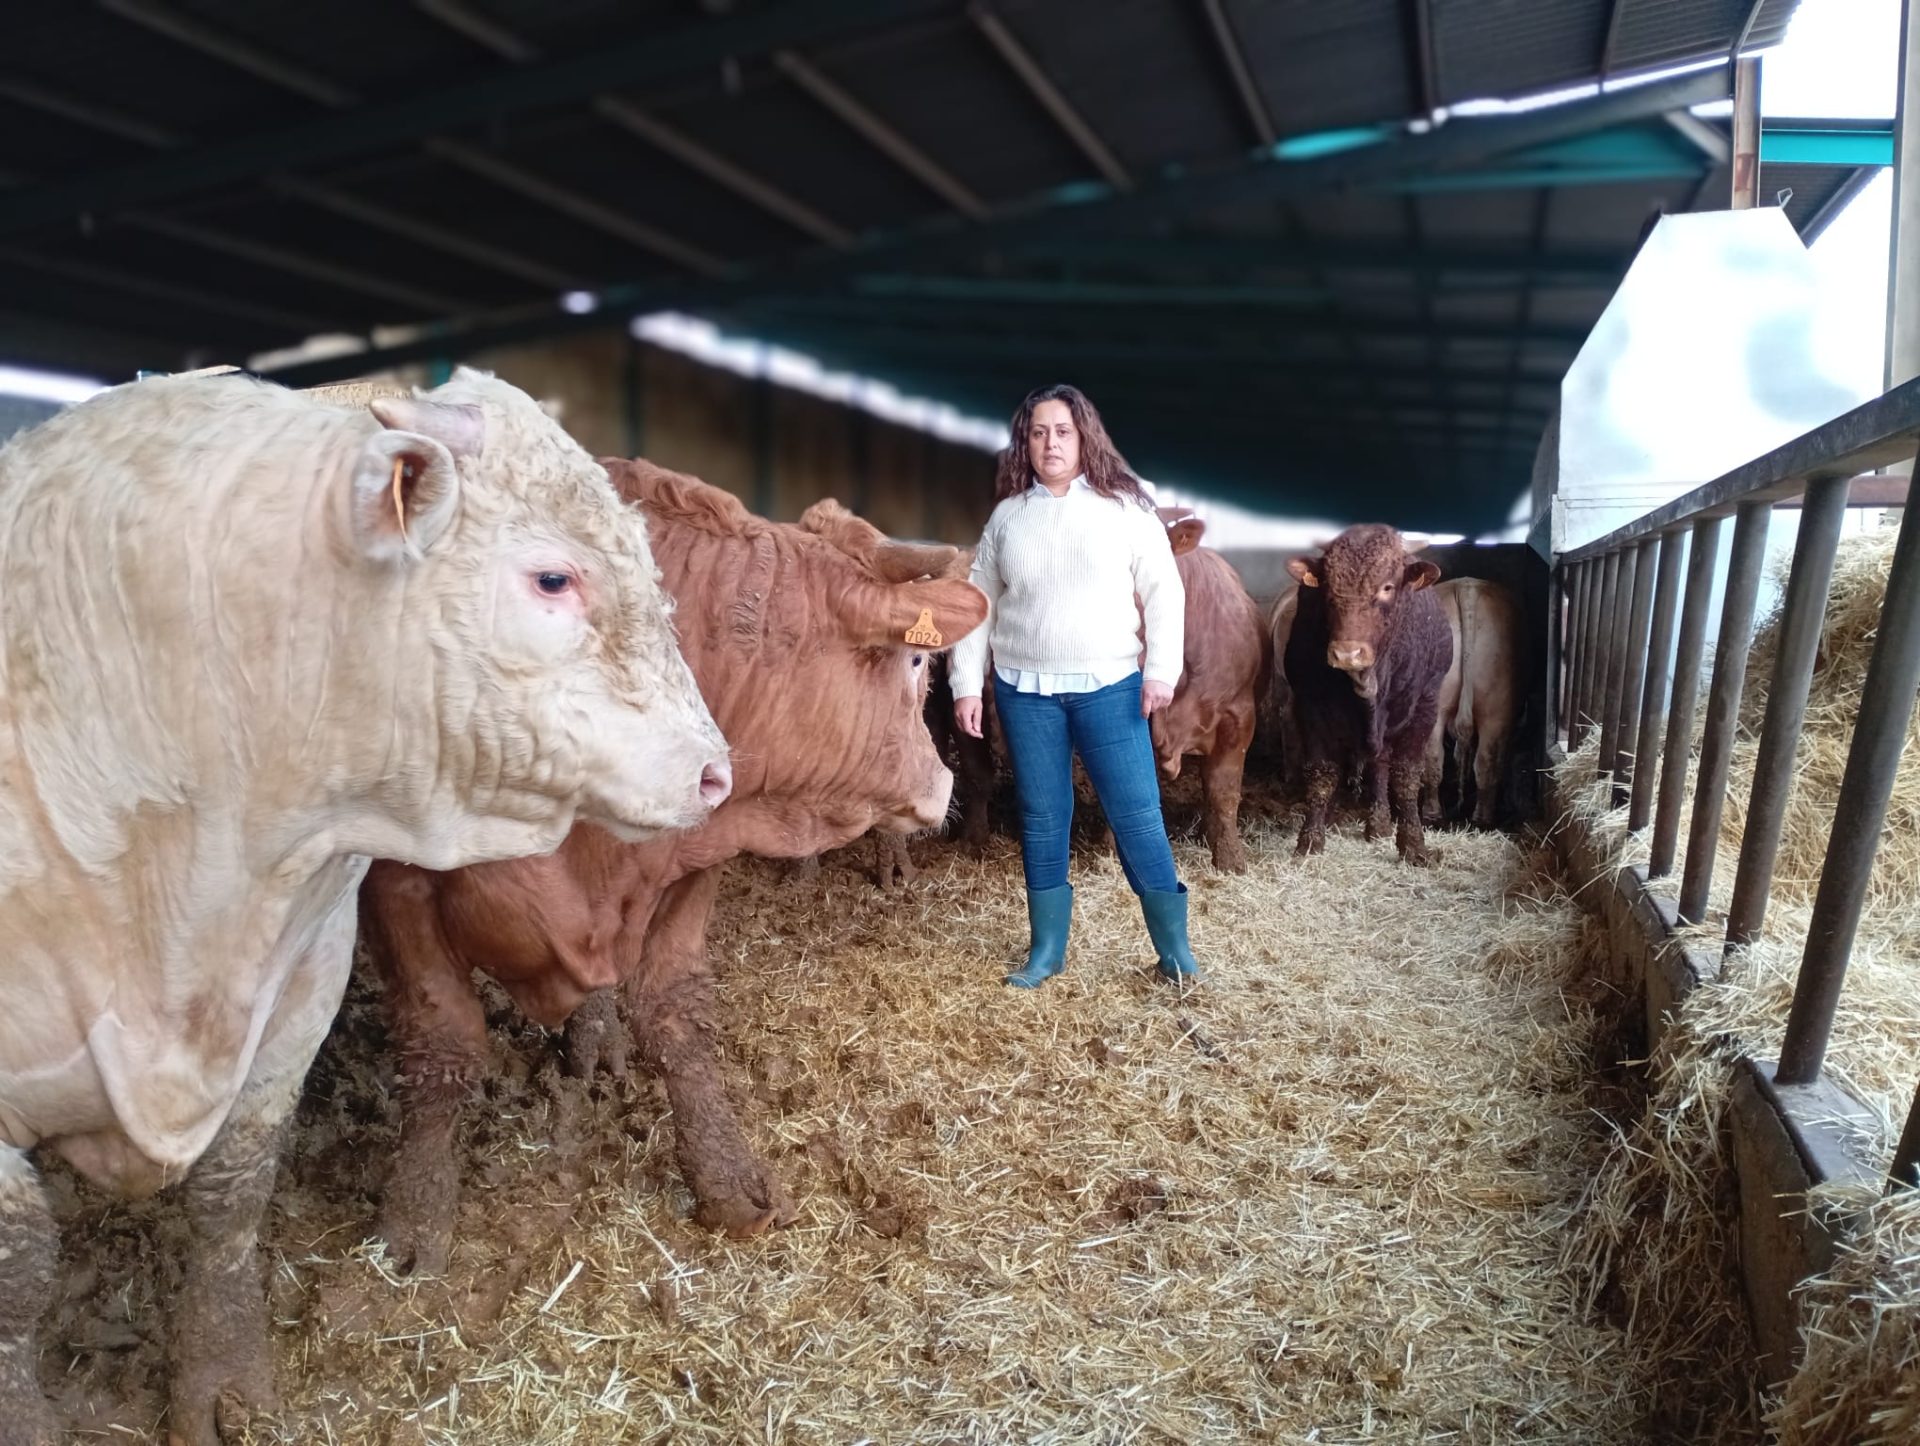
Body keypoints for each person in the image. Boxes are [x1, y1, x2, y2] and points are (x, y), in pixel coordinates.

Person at [949, 383, 1199, 988]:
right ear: (1024, 443)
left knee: (1137, 814)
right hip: (1025, 690)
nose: (1050, 443)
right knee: (1042, 814)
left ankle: (1174, 952)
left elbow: (1164, 588)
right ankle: (1046, 952)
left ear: (1084, 436)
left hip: (1109, 685)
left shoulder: (1125, 508)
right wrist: (966, 684)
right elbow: (977, 603)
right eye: (1038, 432)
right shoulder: (1009, 518)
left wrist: (1162, 669)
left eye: (1062, 431)